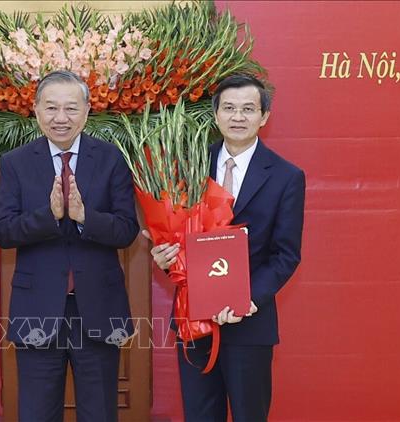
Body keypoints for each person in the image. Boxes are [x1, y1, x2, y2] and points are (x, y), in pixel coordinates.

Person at [148, 74, 305, 422]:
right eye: (229, 108)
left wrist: (246, 299)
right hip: (193, 319)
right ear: (216, 114)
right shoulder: (189, 167)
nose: (238, 117)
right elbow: (178, 236)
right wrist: (165, 258)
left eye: (248, 109)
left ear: (264, 117)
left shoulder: (286, 176)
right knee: (200, 415)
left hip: (250, 324)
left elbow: (286, 254)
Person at [0, 70, 139, 422]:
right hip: (37, 308)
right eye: (51, 107)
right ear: (36, 110)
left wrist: (86, 217)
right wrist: (50, 216)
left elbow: (127, 230)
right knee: (37, 413)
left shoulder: (111, 159)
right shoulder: (15, 162)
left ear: (86, 112)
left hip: (99, 308)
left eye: (71, 108)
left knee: (100, 413)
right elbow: (3, 232)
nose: (61, 117)